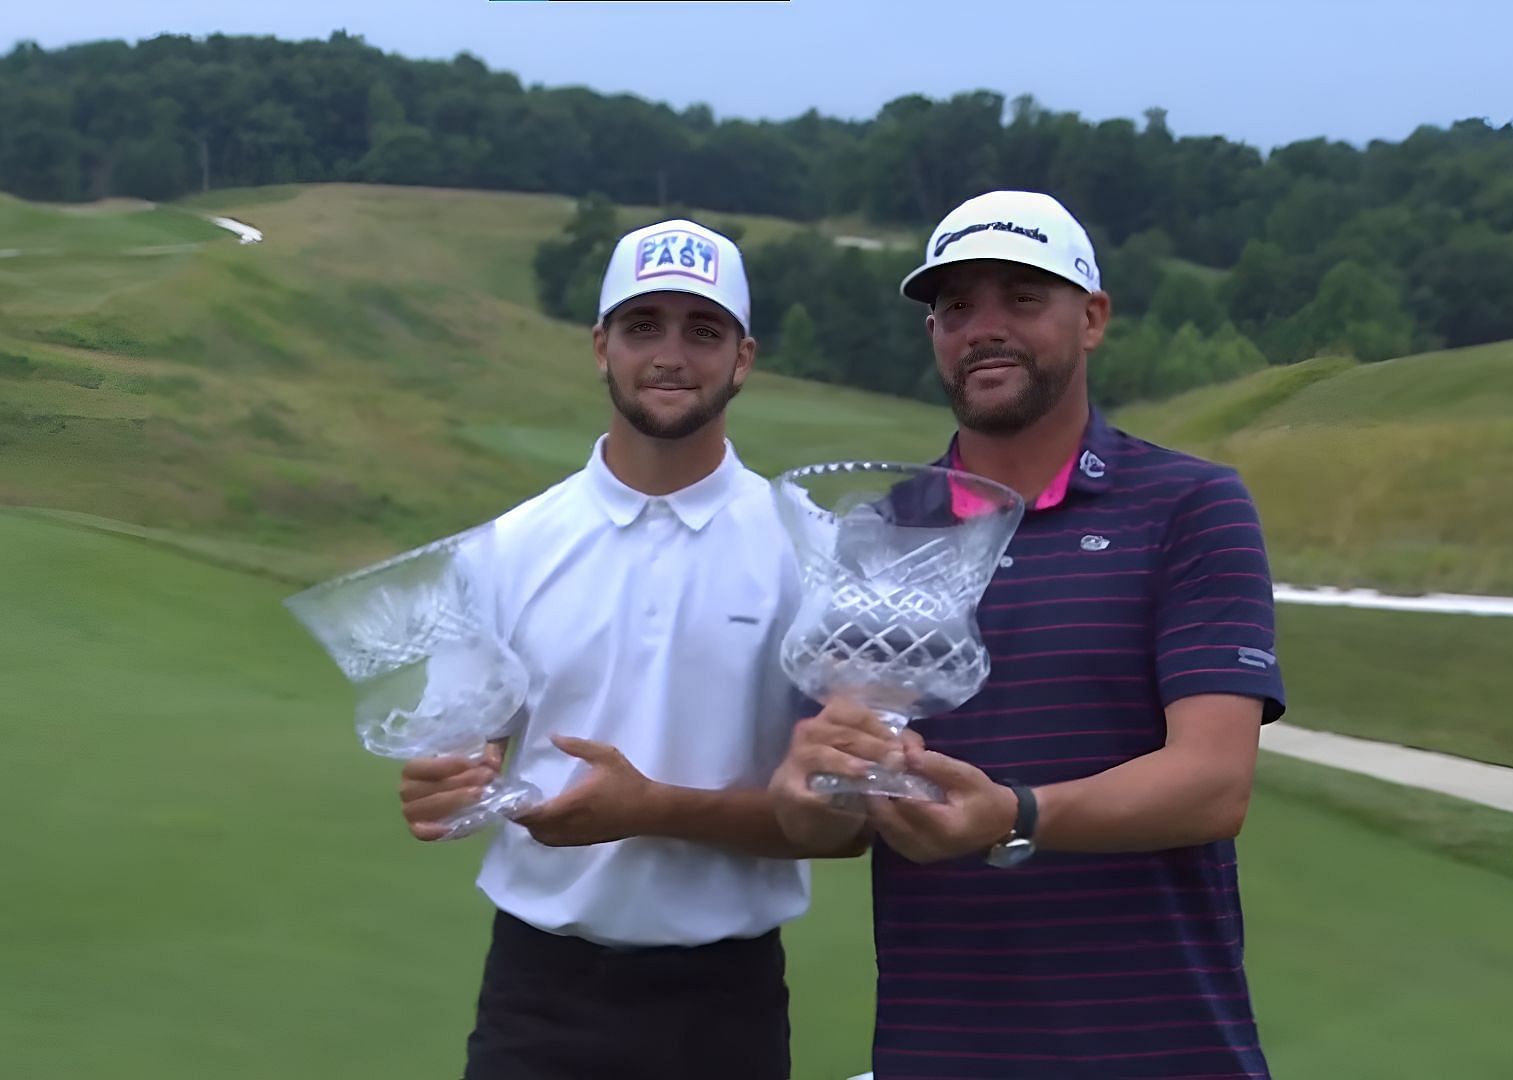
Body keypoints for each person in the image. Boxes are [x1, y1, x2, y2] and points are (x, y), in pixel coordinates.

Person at [772, 190, 1287, 1079]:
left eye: (1021, 296)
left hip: (1160, 1049)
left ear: (1091, 318)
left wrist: (1015, 817)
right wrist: (809, 787)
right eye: (957, 307)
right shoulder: (879, 532)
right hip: (940, 1050)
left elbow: (1213, 784)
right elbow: (824, 823)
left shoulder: (1190, 506)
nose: (984, 327)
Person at [397, 218, 846, 1080]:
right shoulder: (502, 549)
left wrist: (651, 808)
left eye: (702, 330)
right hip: (538, 995)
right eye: (644, 327)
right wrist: (438, 789)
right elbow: (452, 770)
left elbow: (842, 827)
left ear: (743, 357)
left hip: (727, 1004)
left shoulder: (811, 553)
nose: (671, 354)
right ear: (600, 346)